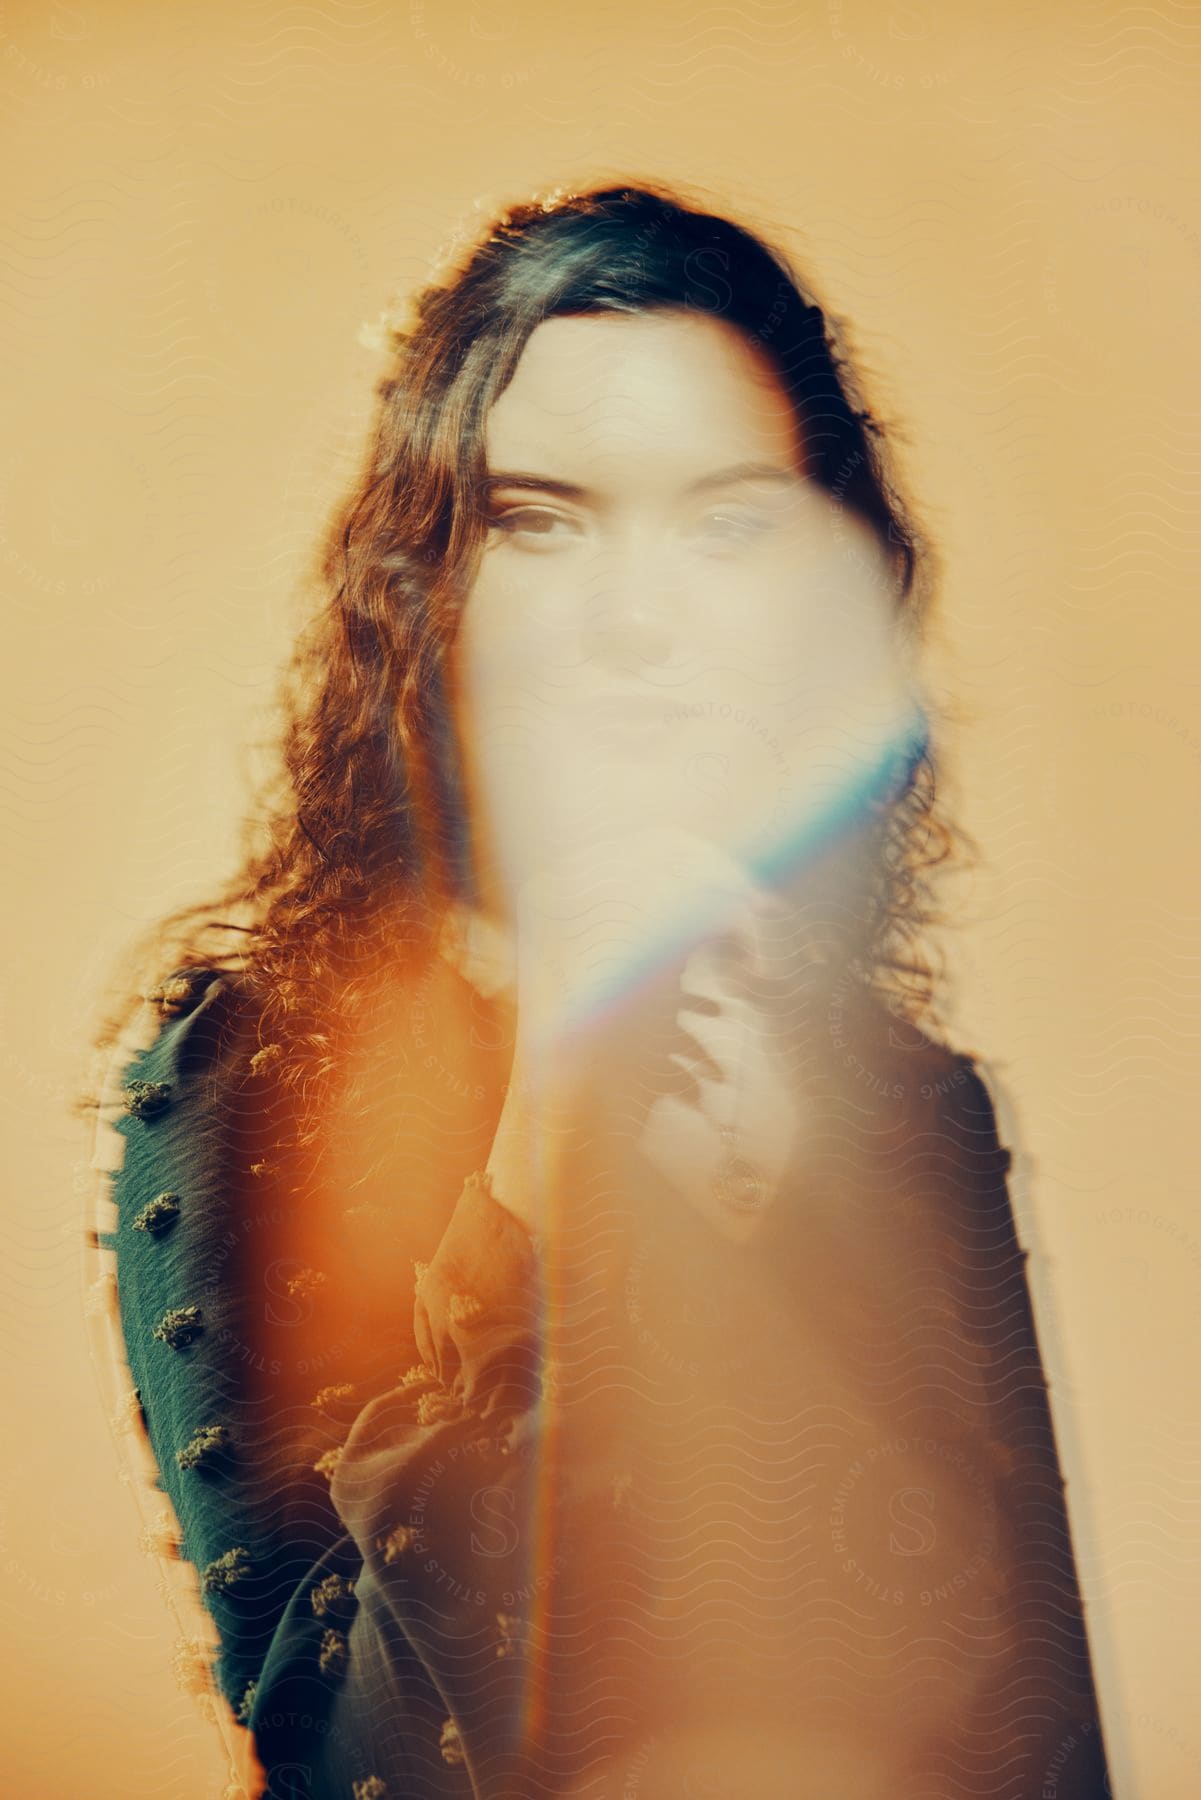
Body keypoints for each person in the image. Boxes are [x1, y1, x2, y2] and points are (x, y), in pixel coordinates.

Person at [78, 181, 1111, 1799]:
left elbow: (1044, 1745)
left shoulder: (908, 1096)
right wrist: (529, 1208)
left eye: (728, 521)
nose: (639, 616)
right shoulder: (270, 1069)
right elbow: (346, 1763)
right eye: (534, 519)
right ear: (425, 582)